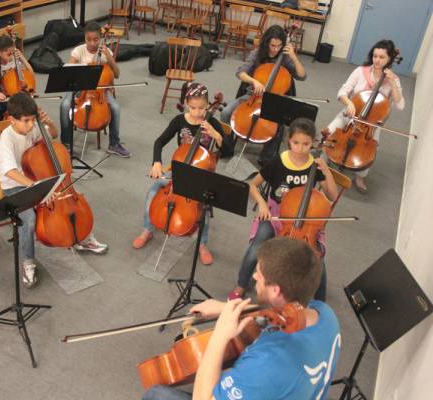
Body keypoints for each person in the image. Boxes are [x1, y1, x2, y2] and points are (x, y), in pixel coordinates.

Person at [142, 237, 341, 400]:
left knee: (155, 395)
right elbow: (278, 312)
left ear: (275, 290)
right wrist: (225, 307)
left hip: (269, 380)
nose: (254, 276)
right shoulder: (324, 313)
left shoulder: (264, 364)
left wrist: (219, 336)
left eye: (259, 274)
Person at [0, 92, 108, 288]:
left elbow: (53, 136)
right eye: (26, 121)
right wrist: (36, 188)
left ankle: (80, 237)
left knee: (67, 200)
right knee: (29, 221)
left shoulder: (32, 128)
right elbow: (9, 171)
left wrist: (48, 123)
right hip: (14, 185)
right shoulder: (7, 136)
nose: (31, 125)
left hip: (36, 177)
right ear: (12, 119)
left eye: (33, 120)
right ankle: (28, 262)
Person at [230, 118, 337, 301]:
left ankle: (320, 303)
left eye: (306, 144)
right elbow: (252, 185)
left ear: (312, 143)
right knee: (256, 249)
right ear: (289, 140)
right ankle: (241, 285)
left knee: (318, 261)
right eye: (296, 143)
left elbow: (332, 195)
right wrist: (263, 204)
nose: (300, 148)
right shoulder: (278, 161)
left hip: (304, 221)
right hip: (276, 216)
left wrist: (326, 172)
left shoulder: (314, 166)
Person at [132, 82, 224, 265]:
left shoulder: (211, 122)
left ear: (207, 105)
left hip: (201, 174)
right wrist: (157, 162)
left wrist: (217, 135)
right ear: (187, 104)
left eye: (202, 108)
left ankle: (202, 243)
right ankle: (147, 229)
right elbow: (159, 142)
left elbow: (227, 150)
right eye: (193, 108)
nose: (198, 112)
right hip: (178, 171)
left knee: (203, 205)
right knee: (153, 191)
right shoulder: (179, 121)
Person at [321, 39, 404, 194]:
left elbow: (400, 105)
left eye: (382, 57)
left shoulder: (393, 80)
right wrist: (350, 103)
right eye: (375, 56)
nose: (377, 60)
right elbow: (342, 92)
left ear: (390, 59)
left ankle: (360, 177)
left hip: (372, 124)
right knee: (328, 135)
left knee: (369, 150)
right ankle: (322, 165)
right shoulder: (361, 71)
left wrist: (392, 82)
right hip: (350, 116)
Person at [220, 25, 306, 165]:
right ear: (267, 42)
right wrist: (254, 81)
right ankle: (227, 147)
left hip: (273, 101)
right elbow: (240, 72)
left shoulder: (285, 58)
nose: (275, 49)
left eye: (279, 46)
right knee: (225, 112)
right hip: (252, 97)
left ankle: (266, 157)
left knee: (278, 127)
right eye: (273, 45)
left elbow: (302, 76)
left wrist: (294, 57)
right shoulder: (257, 53)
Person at [58, 22, 131, 158]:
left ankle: (114, 144)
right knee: (64, 105)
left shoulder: (106, 52)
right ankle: (66, 143)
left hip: (100, 91)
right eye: (88, 39)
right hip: (80, 88)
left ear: (99, 38)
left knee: (115, 107)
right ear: (85, 38)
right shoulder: (79, 50)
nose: (92, 43)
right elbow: (68, 70)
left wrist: (109, 58)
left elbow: (117, 74)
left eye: (96, 39)